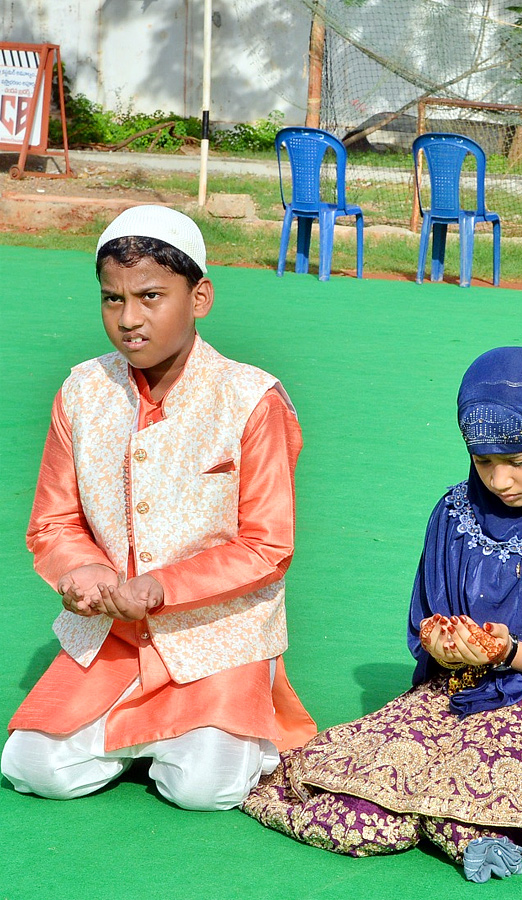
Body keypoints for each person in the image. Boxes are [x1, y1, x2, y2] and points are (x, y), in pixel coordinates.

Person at [242, 347, 522, 882]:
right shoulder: (456, 511)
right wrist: (445, 642)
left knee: (495, 782)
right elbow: (427, 617)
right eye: (484, 461)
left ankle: (471, 828)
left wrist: (513, 653)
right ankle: (454, 826)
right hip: (454, 692)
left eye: (518, 460)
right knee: (362, 816)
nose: (500, 479)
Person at [2, 205, 316, 811]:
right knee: (31, 765)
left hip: (218, 636)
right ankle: (154, 737)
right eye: (112, 299)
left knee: (204, 789)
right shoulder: (82, 391)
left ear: (199, 297)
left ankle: (217, 726)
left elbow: (267, 544)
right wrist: (83, 570)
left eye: (150, 296)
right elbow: (54, 521)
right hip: (112, 634)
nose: (129, 319)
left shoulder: (251, 399)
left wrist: (161, 587)